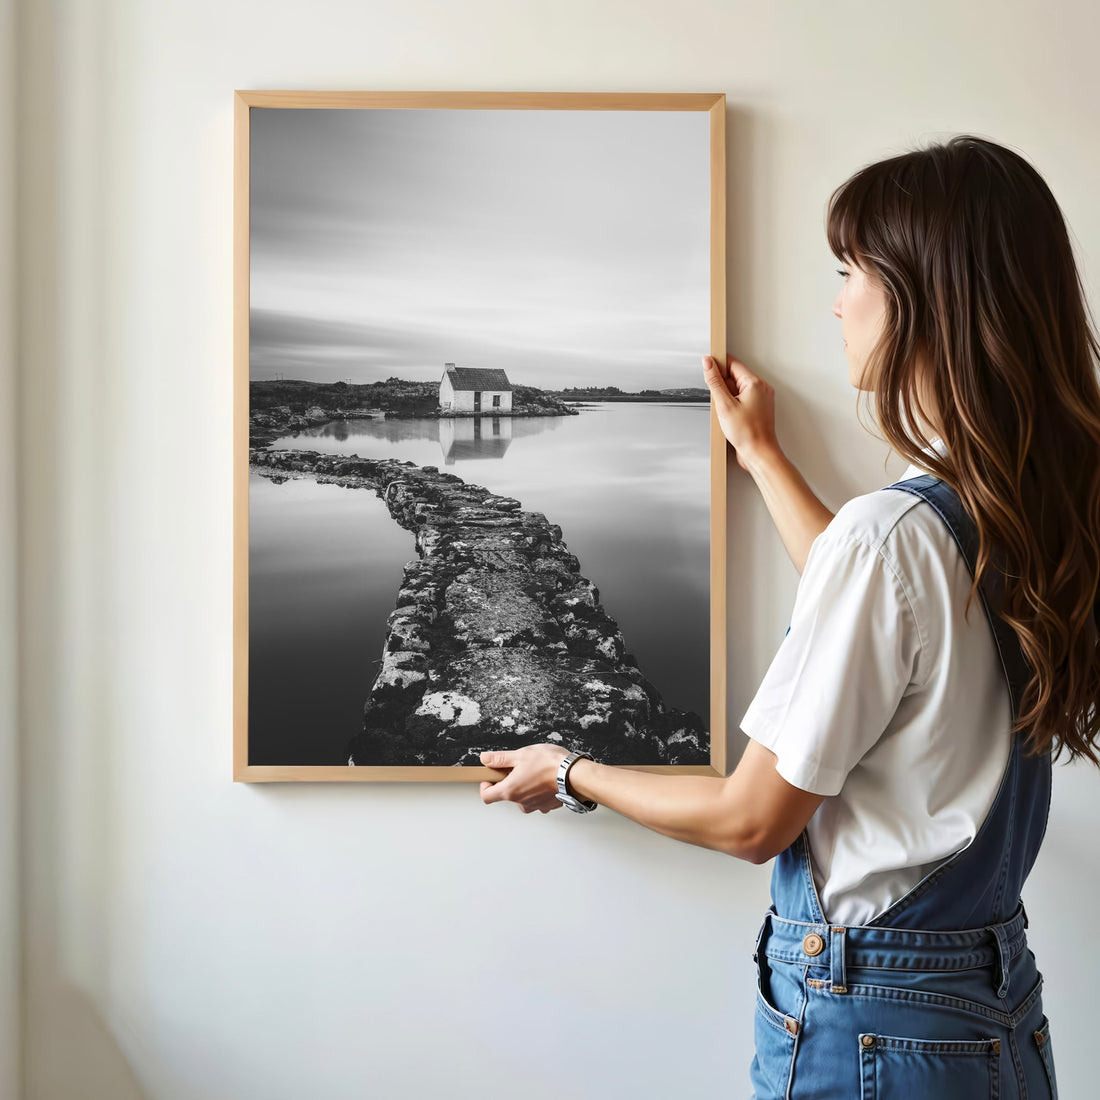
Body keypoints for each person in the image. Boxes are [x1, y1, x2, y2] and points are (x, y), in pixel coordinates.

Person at [477, 134, 1100, 1098]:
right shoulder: (1018, 508)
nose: (838, 300)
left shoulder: (895, 535)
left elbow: (750, 819)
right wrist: (764, 456)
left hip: (874, 1027)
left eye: (852, 271)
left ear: (925, 299)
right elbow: (888, 623)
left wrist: (568, 771)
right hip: (988, 1011)